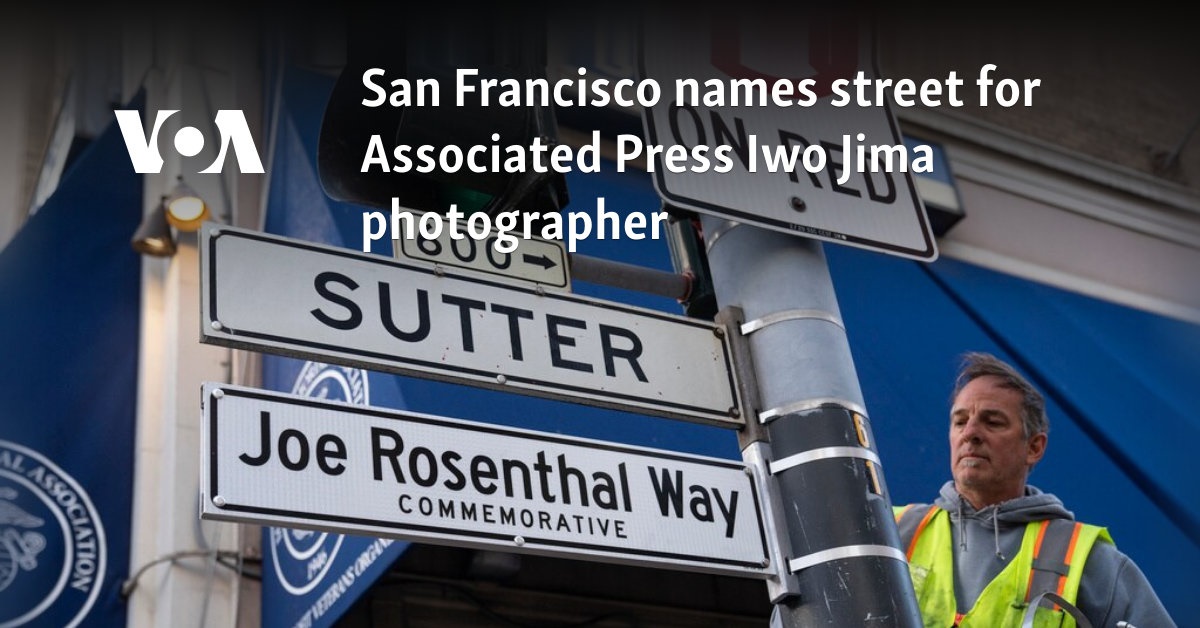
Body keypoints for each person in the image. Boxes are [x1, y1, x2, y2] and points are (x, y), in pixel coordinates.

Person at [893, 352, 1174, 627]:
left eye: (992, 422)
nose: (970, 433)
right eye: (960, 421)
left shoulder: (1088, 562)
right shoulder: (889, 530)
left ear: (1034, 447)